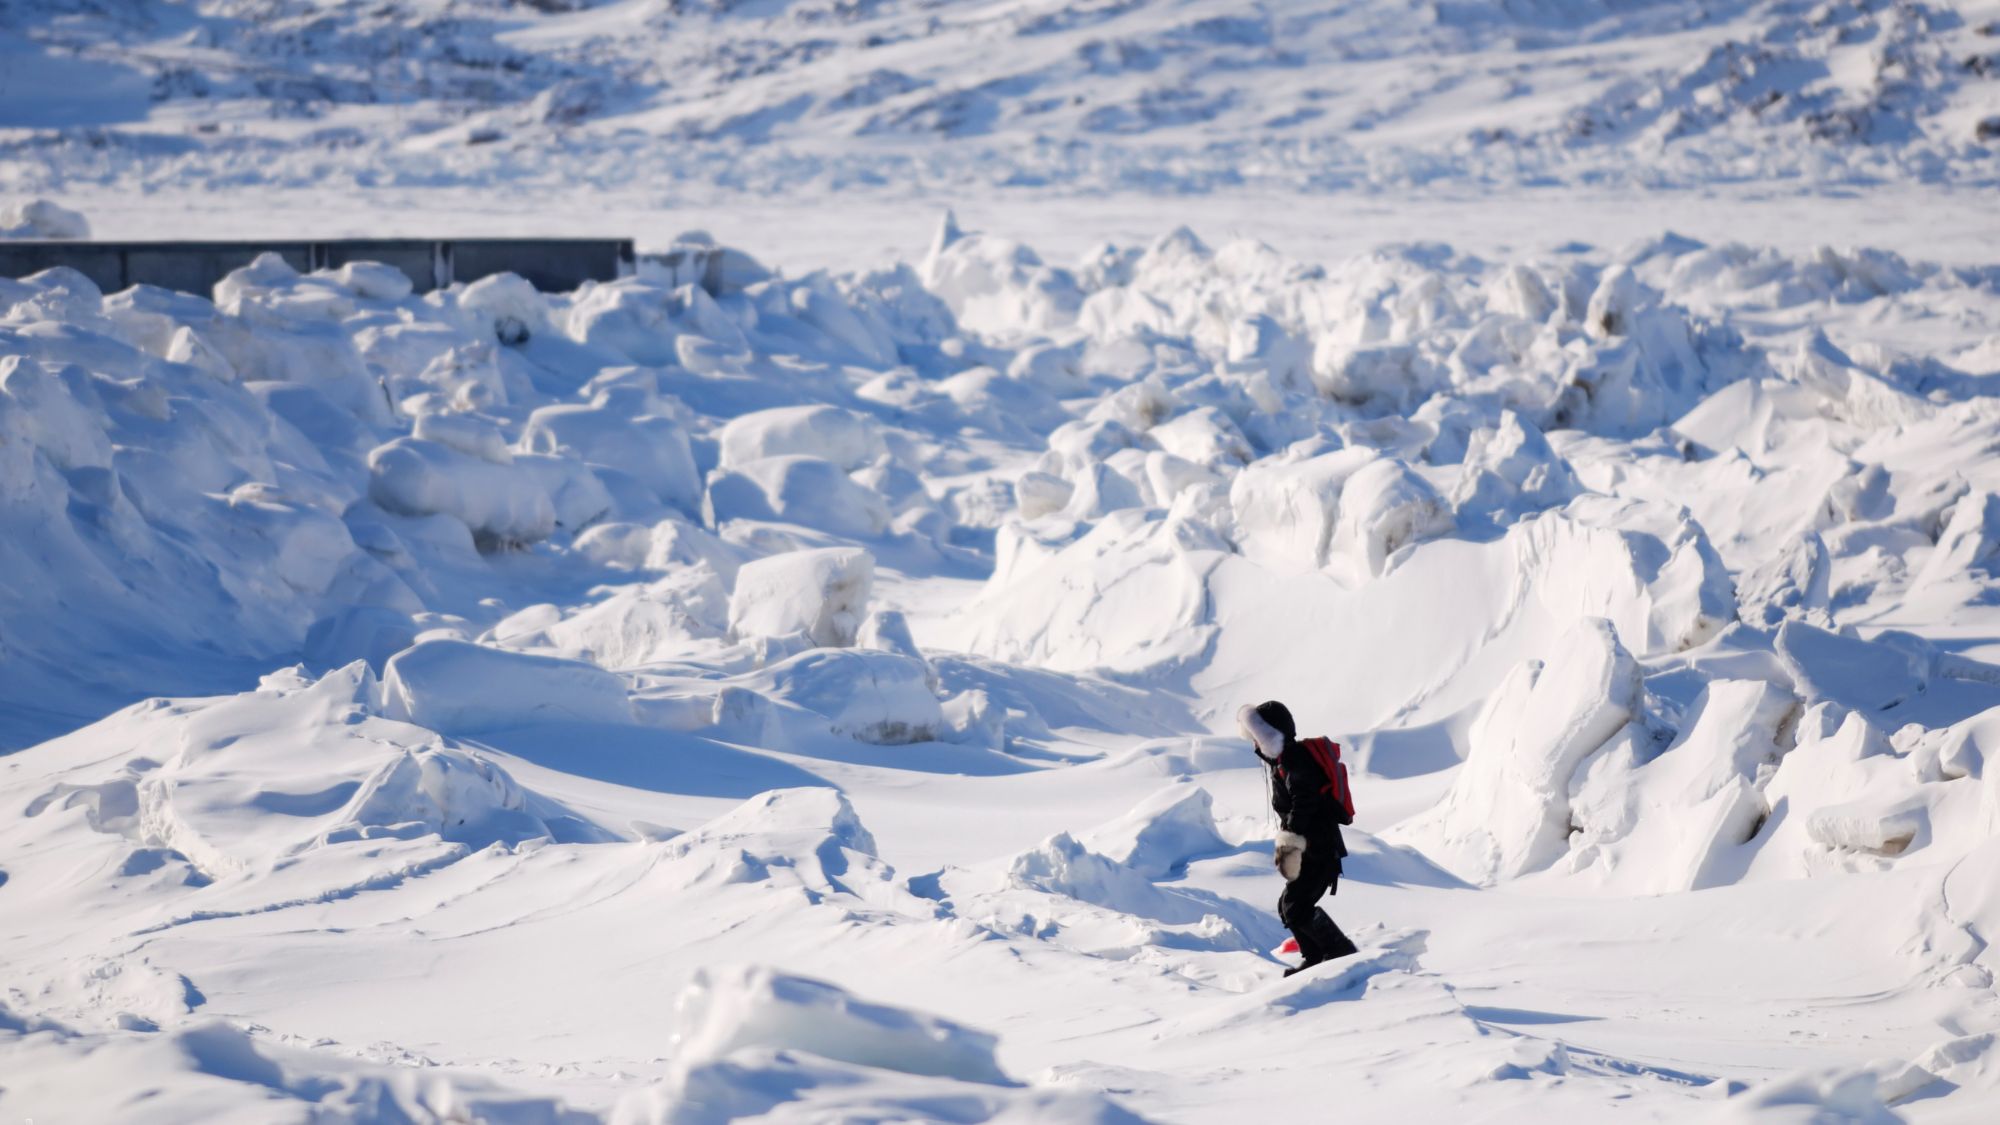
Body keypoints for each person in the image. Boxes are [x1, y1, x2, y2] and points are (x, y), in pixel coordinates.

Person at [1240, 699, 1359, 976]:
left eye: (1257, 738)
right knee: (1289, 905)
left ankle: (1340, 953)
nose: (1254, 745)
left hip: (1318, 847)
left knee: (1295, 905)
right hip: (1313, 845)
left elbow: (1303, 801)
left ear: (1271, 737)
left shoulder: (1294, 759)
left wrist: (1290, 843)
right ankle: (1316, 957)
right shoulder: (1284, 761)